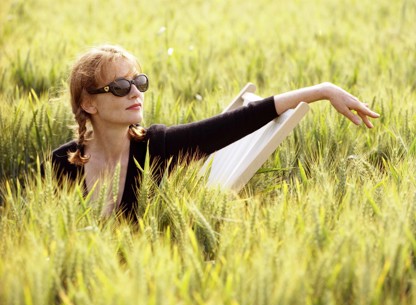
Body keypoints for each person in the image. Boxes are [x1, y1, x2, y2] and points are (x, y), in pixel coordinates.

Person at [50, 44, 380, 218]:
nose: (136, 92)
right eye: (121, 86)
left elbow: (235, 123)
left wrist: (322, 90)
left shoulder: (159, 146)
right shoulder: (61, 164)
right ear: (88, 103)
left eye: (139, 82)